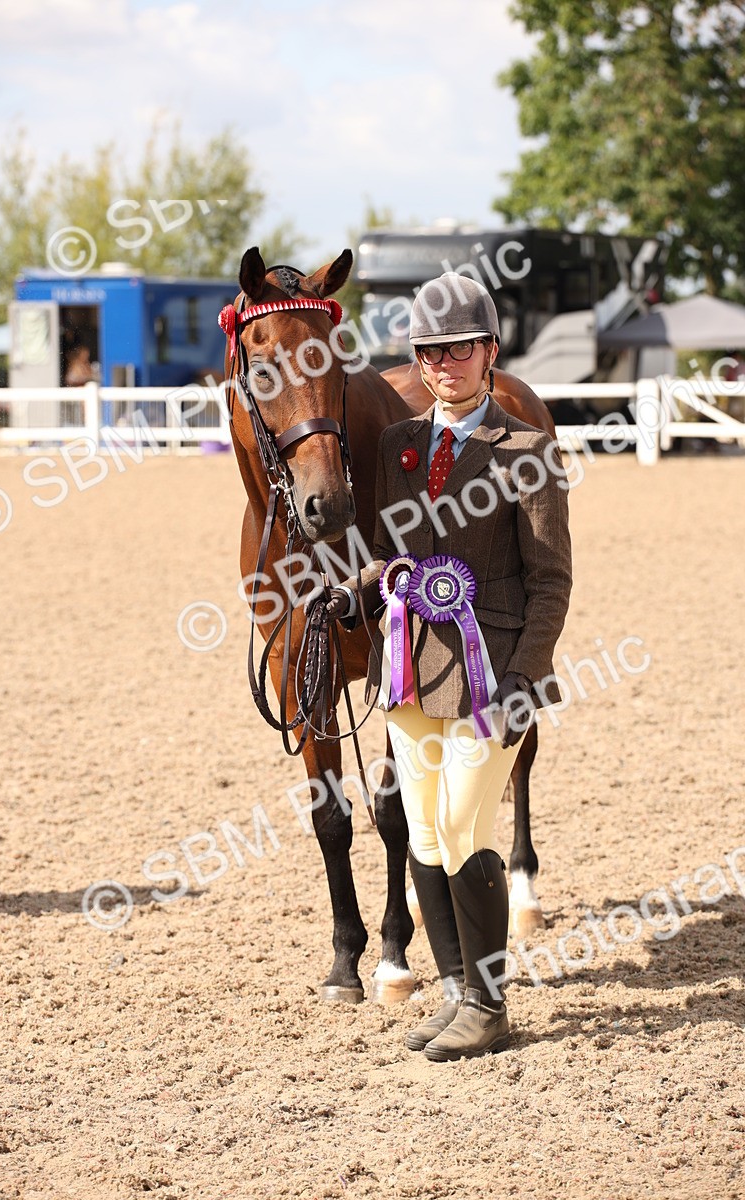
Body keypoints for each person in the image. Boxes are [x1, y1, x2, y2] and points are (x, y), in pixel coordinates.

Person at [313, 273, 572, 1062]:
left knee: (464, 824)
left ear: (490, 352)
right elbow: (392, 554)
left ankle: (490, 1006)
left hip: (493, 672)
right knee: (423, 827)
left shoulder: (527, 451)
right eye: (431, 351)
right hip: (409, 668)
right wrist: (351, 591)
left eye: (460, 348)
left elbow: (552, 579)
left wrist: (527, 675)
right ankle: (458, 991)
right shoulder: (398, 448)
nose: (444, 363)